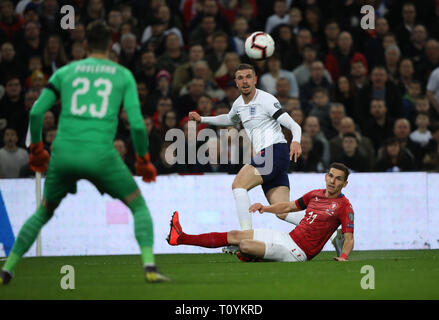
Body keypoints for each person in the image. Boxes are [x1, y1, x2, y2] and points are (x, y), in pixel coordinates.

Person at [0, 21, 168, 285]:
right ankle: (149, 266)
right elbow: (136, 124)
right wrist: (143, 160)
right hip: (101, 155)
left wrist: (36, 150)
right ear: (111, 45)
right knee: (138, 206)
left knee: (43, 211)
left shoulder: (64, 72)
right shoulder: (122, 75)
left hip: (63, 154)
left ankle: (7, 269)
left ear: (86, 45)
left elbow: (35, 112)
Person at [188, 63, 303, 254]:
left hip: (275, 151)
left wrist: (296, 141)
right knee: (282, 211)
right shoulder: (239, 104)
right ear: (235, 82)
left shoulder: (266, 100)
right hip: (271, 157)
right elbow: (229, 119)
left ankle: (244, 237)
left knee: (238, 185)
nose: (244, 81)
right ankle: (331, 230)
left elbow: (294, 125)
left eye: (248, 76)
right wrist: (203, 119)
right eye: (240, 78)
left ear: (255, 79)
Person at [167, 162, 354, 263]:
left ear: (344, 184)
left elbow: (349, 237)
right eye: (330, 176)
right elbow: (287, 207)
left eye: (338, 179)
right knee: (235, 235)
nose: (332, 181)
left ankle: (253, 256)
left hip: (297, 252)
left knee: (245, 246)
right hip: (287, 237)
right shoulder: (315, 194)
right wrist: (265, 208)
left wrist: (343, 256)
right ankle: (181, 238)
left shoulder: (344, 206)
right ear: (325, 176)